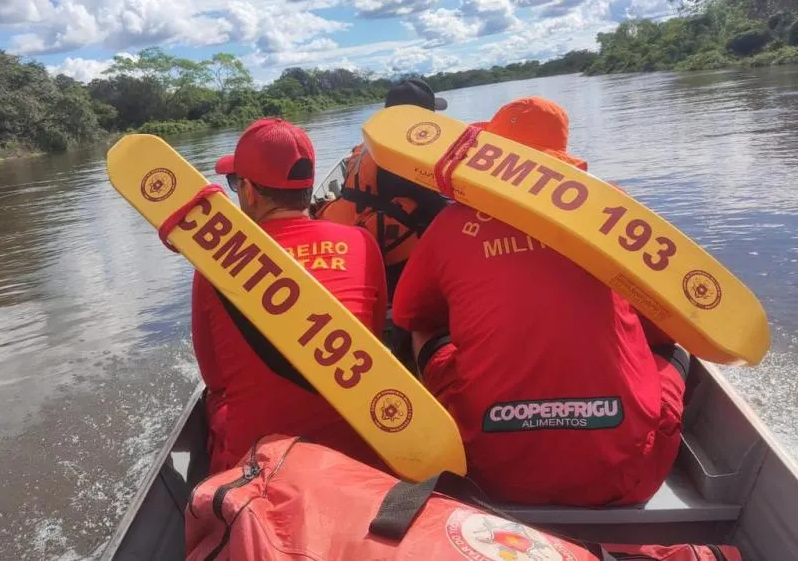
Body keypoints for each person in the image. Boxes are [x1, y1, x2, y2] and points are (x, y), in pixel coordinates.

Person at [392, 97, 686, 507]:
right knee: (677, 347)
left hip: (490, 473)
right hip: (627, 477)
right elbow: (666, 321)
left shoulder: (451, 222)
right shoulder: (616, 212)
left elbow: (411, 315)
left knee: (427, 333)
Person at [195, 117, 389, 474]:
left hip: (257, 471)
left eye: (235, 183)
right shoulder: (362, 242)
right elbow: (372, 342)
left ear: (250, 192)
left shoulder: (213, 266)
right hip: (359, 464)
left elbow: (215, 379)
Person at [313, 78, 451, 297]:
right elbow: (436, 208)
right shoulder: (402, 154)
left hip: (350, 244)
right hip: (389, 262)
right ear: (420, 118)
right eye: (431, 114)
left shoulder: (369, 145)